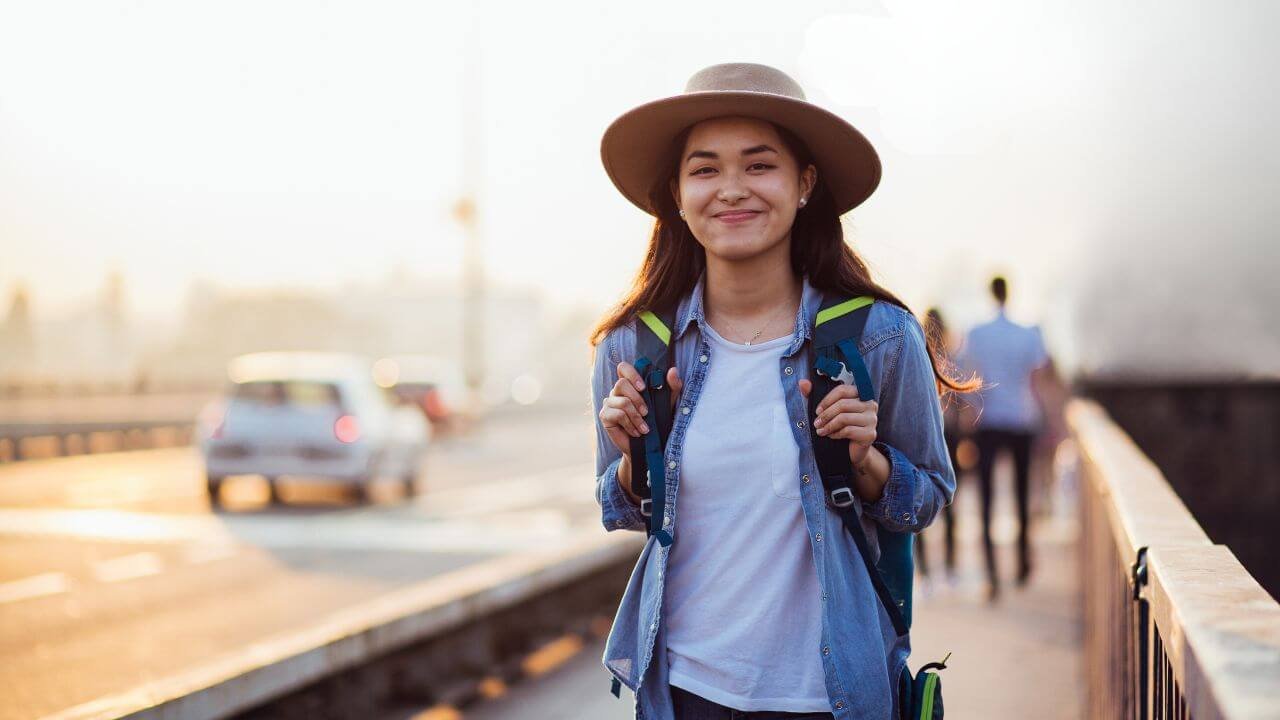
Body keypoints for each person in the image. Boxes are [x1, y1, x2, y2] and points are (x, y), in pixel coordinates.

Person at [589, 63, 971, 720]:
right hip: (684, 693)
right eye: (705, 169)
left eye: (759, 166)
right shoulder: (635, 346)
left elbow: (927, 498)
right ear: (678, 194)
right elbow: (620, 511)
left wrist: (865, 462)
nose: (731, 189)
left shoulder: (878, 338)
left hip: (833, 696)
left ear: (804, 185)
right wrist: (631, 461)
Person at [956, 276, 1054, 601]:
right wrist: (1048, 422)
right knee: (1021, 494)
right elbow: (1037, 379)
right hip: (1021, 419)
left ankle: (991, 574)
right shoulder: (1027, 334)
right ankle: (1023, 563)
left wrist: (969, 415)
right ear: (1009, 293)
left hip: (988, 421)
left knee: (986, 499)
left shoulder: (976, 334)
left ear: (989, 292)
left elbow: (967, 379)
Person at [914, 308, 965, 587]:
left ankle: (926, 572)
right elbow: (961, 405)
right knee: (950, 505)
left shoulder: (915, 354)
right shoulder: (951, 359)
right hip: (950, 436)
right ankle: (950, 567)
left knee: (918, 502)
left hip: (921, 436)